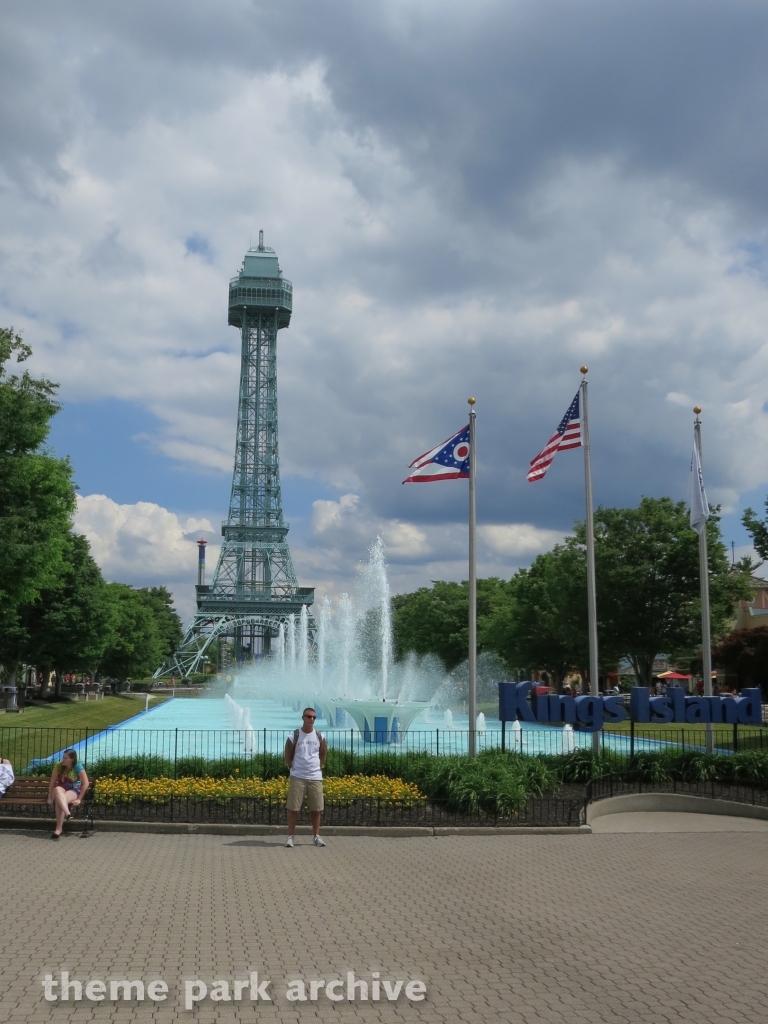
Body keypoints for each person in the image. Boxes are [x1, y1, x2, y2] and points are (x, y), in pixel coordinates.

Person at [284, 708, 327, 848]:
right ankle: (290, 837)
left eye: (314, 717)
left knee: (316, 808)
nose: (312, 719)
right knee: (293, 808)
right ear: (303, 717)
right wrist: (293, 767)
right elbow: (287, 755)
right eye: (309, 716)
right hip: (298, 776)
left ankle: (317, 836)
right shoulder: (294, 736)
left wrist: (318, 767)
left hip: (315, 776)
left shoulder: (320, 736)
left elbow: (323, 754)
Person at [47, 749, 89, 840]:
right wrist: (50, 797)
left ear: (72, 759)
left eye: (65, 758)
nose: (63, 760)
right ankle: (68, 813)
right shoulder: (58, 766)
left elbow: (86, 783)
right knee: (58, 790)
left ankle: (58, 829)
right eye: (63, 757)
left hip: (73, 789)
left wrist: (79, 799)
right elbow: (52, 782)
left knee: (60, 800)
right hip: (61, 789)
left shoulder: (78, 767)